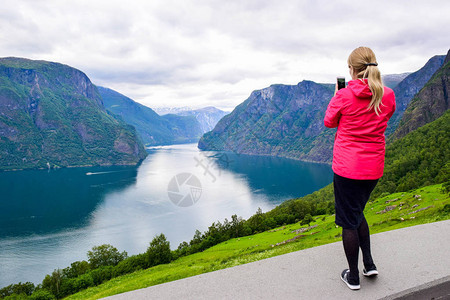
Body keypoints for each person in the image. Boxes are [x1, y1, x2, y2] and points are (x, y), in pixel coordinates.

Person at [324, 46, 396, 290]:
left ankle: (353, 277)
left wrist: (337, 96)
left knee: (348, 220)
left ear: (352, 70)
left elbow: (329, 122)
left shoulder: (344, 96)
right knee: (357, 211)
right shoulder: (388, 95)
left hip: (347, 169)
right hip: (373, 168)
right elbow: (383, 116)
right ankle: (369, 264)